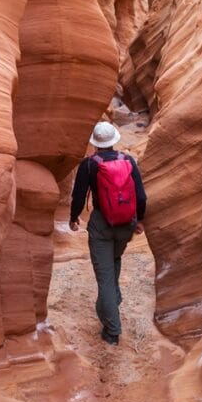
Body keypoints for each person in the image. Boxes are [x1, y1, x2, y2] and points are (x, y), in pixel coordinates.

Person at [69, 121, 147, 345]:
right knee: (114, 259)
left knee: (104, 278)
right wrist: (139, 220)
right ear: (114, 140)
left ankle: (112, 331)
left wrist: (74, 218)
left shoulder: (89, 165)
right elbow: (141, 197)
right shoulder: (128, 160)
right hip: (126, 225)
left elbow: (78, 195)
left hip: (102, 225)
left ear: (95, 144)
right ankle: (113, 299)